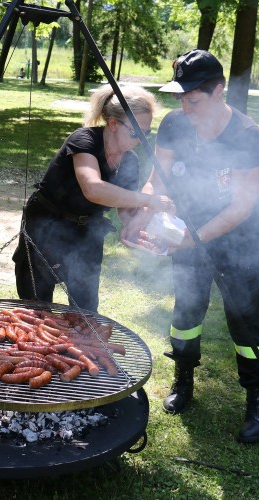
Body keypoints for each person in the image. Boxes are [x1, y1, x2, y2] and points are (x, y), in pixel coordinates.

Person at [121, 49, 259, 443]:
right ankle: (183, 380)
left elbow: (243, 205)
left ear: (219, 92)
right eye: (179, 97)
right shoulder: (174, 125)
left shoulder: (248, 136)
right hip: (186, 235)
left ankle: (256, 399)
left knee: (247, 323)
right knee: (186, 312)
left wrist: (194, 237)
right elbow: (158, 180)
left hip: (241, 240)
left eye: (193, 99)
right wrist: (141, 214)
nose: (184, 106)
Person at [12, 84, 175, 312]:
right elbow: (93, 188)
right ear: (114, 124)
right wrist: (147, 200)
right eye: (137, 132)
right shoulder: (84, 140)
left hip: (88, 233)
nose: (141, 140)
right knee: (37, 309)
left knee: (86, 311)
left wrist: (143, 225)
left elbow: (126, 208)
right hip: (47, 226)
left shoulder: (130, 161)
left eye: (146, 134)